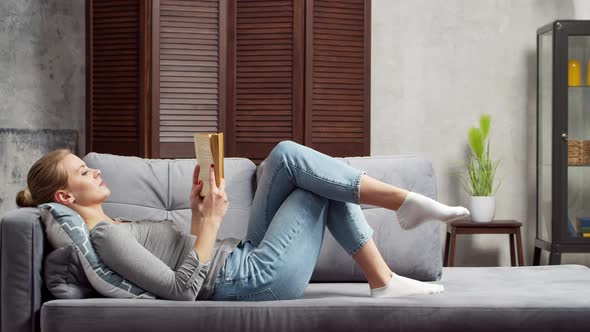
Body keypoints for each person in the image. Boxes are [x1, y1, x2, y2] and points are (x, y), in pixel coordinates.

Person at [16, 141, 470, 301]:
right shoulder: (105, 239)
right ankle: (400, 218)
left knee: (289, 157)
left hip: (242, 260)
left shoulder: (111, 225)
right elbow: (182, 291)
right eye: (82, 171)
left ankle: (388, 261)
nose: (94, 170)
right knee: (314, 181)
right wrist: (211, 222)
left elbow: (183, 260)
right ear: (64, 196)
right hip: (253, 278)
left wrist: (199, 212)